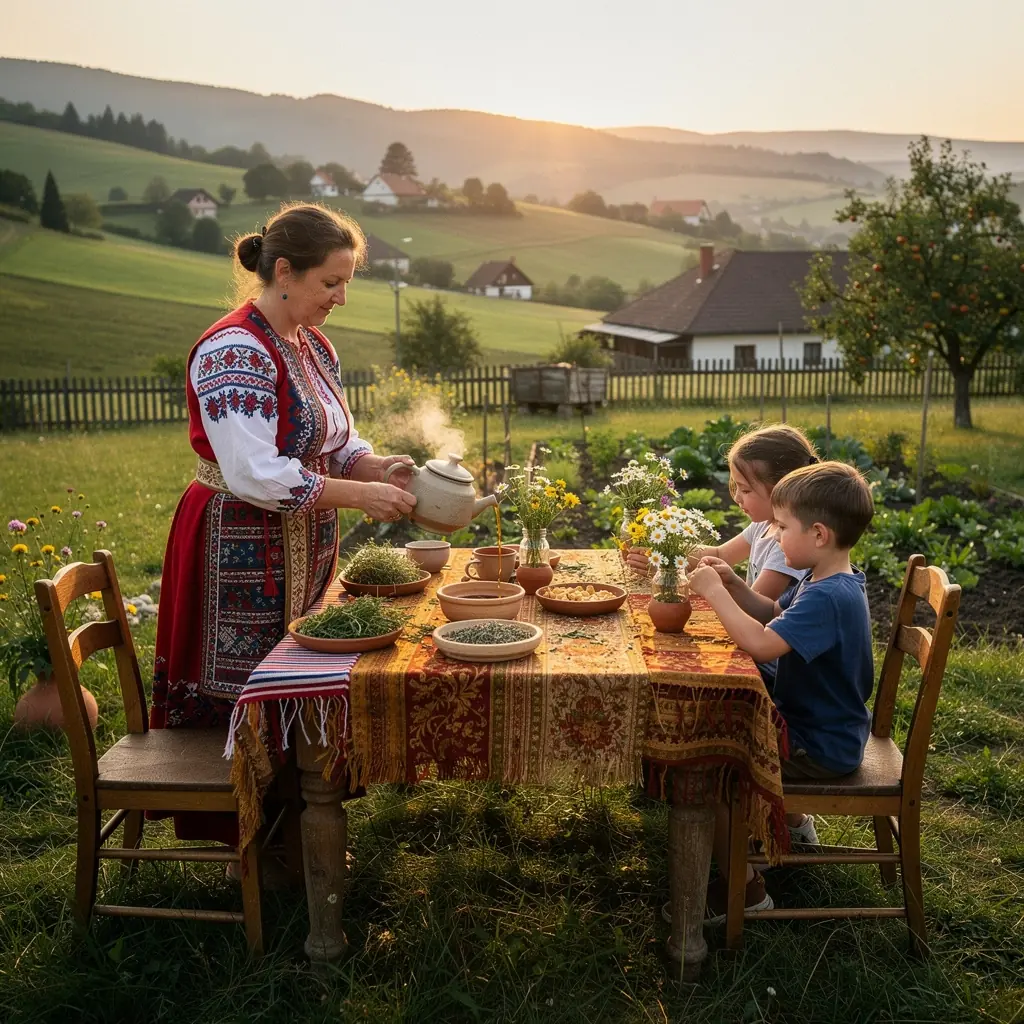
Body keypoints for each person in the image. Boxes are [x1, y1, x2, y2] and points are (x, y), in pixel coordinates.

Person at [151, 203, 417, 843]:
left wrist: (372, 464)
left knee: (301, 676)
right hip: (236, 544)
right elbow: (254, 472)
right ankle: (248, 838)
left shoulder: (314, 345)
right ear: (284, 272)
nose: (341, 298)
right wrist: (356, 495)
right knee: (246, 682)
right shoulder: (233, 350)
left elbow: (333, 437)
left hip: (302, 542)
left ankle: (302, 827)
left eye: (346, 282)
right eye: (332, 282)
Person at [687, 460, 876, 922]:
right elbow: (773, 612)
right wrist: (733, 583)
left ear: (818, 534)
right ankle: (785, 834)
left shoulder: (828, 598)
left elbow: (759, 641)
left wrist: (713, 593)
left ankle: (745, 891)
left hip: (819, 745)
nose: (773, 534)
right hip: (823, 727)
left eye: (782, 526)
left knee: (710, 766)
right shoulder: (826, 580)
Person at [628, 424, 818, 682]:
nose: (737, 498)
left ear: (782, 489)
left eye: (746, 490)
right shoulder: (765, 525)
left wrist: (715, 589)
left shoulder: (788, 546)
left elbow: (755, 614)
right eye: (735, 486)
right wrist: (663, 557)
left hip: (771, 670)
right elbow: (720, 552)